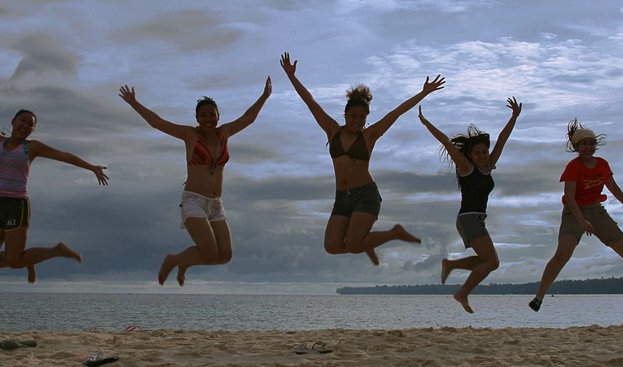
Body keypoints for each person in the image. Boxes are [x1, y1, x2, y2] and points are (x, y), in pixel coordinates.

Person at [279, 52, 444, 265]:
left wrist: (423, 93)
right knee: (332, 246)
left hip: (366, 195)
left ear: (366, 119)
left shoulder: (369, 136)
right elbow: (310, 101)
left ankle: (393, 233)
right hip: (342, 198)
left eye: (362, 117)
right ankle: (367, 243)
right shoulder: (332, 131)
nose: (357, 121)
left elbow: (397, 112)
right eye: (353, 116)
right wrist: (292, 76)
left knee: (355, 245)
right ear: (345, 114)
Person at [119, 79, 271, 285]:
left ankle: (185, 263)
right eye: (203, 115)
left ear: (218, 115)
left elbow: (248, 118)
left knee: (225, 255)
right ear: (197, 118)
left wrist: (265, 96)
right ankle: (173, 260)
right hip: (194, 201)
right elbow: (158, 122)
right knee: (209, 252)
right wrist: (134, 103)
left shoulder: (224, 133)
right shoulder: (190, 135)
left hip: (216, 204)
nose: (208, 119)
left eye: (212, 114)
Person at [0, 109, 109, 283]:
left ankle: (57, 250)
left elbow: (64, 156)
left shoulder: (32, 147)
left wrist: (92, 168)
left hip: (17, 205)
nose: (25, 126)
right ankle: (29, 259)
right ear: (13, 121)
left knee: (14, 261)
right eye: (22, 120)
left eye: (30, 124)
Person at [529, 119, 623, 311]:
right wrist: (582, 221)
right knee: (562, 254)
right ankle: (539, 297)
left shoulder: (602, 164)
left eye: (591, 143)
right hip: (574, 213)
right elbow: (570, 198)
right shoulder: (573, 167)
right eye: (584, 144)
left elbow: (613, 187)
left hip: (597, 211)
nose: (589, 147)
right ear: (576, 146)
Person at [418, 98, 521, 313]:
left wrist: (514, 117)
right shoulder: (465, 168)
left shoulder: (489, 166)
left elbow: (502, 139)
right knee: (492, 262)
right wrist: (426, 123)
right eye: (478, 154)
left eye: (484, 152)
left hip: (474, 220)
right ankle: (462, 293)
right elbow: (446, 143)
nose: (482, 156)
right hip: (468, 219)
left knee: (487, 261)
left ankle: (452, 265)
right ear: (470, 156)